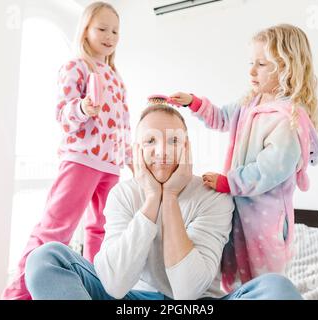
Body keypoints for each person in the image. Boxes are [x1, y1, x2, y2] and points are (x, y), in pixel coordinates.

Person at [24, 102, 303, 300]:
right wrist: (150, 200)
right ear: (136, 151)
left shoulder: (213, 195)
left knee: (277, 290)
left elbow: (186, 292)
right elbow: (113, 284)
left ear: (186, 147)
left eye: (173, 141)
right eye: (150, 142)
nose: (162, 151)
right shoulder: (123, 195)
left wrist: (168, 198)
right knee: (45, 259)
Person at [169, 24, 318, 291]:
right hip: (239, 205)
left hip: (266, 215)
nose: (252, 70)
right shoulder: (250, 102)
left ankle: (265, 293)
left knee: (262, 268)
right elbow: (220, 117)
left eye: (262, 64)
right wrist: (193, 102)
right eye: (251, 62)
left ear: (287, 67)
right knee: (235, 259)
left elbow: (268, 170)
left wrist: (229, 182)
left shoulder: (287, 120)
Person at [2, 1, 132, 300]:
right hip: (81, 159)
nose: (110, 36)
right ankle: (17, 294)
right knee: (55, 229)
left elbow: (122, 122)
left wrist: (128, 157)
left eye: (115, 31)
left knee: (102, 231)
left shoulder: (116, 77)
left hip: (111, 166)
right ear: (85, 29)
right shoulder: (76, 66)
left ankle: (98, 290)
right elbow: (62, 114)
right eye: (102, 28)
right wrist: (84, 107)